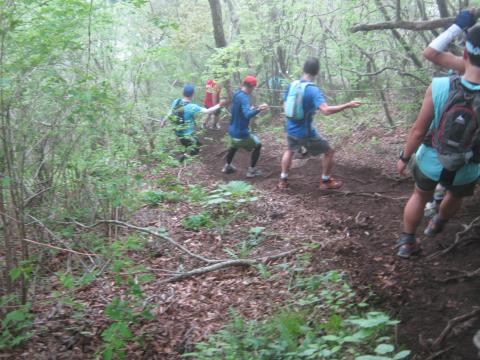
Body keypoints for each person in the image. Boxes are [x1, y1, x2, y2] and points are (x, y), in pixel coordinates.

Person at [395, 25, 480, 259]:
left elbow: (418, 130)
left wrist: (404, 157)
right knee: (456, 195)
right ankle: (438, 222)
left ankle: (407, 242)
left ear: (464, 54)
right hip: (468, 167)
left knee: (420, 195)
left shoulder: (440, 86)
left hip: (430, 160)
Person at [422, 10, 477, 216]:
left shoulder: (465, 66)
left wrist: (457, 26)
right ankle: (439, 213)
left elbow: (430, 52)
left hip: (449, 122)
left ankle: (434, 201)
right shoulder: (467, 66)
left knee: (444, 147)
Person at [278, 58, 361, 190]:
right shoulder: (312, 89)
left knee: (289, 150)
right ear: (317, 72)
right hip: (305, 133)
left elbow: (285, 105)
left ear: (303, 69)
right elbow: (326, 111)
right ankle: (325, 181)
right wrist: (347, 105)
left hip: (290, 128)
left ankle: (283, 181)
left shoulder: (292, 85)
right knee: (329, 152)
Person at [222, 75, 269, 177]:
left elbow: (241, 110)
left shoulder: (237, 94)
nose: (253, 90)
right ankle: (252, 170)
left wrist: (253, 108)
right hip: (241, 133)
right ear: (251, 87)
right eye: (253, 88)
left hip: (232, 131)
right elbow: (247, 115)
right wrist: (259, 109)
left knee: (234, 146)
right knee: (258, 145)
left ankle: (227, 166)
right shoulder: (244, 97)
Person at [168, 84, 224, 158]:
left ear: (183, 93)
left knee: (194, 143)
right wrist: (220, 104)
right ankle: (187, 160)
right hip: (187, 135)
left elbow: (169, 113)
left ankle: (186, 155)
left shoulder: (176, 101)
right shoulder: (192, 107)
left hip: (178, 132)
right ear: (193, 94)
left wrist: (163, 121)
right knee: (194, 149)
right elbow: (208, 111)